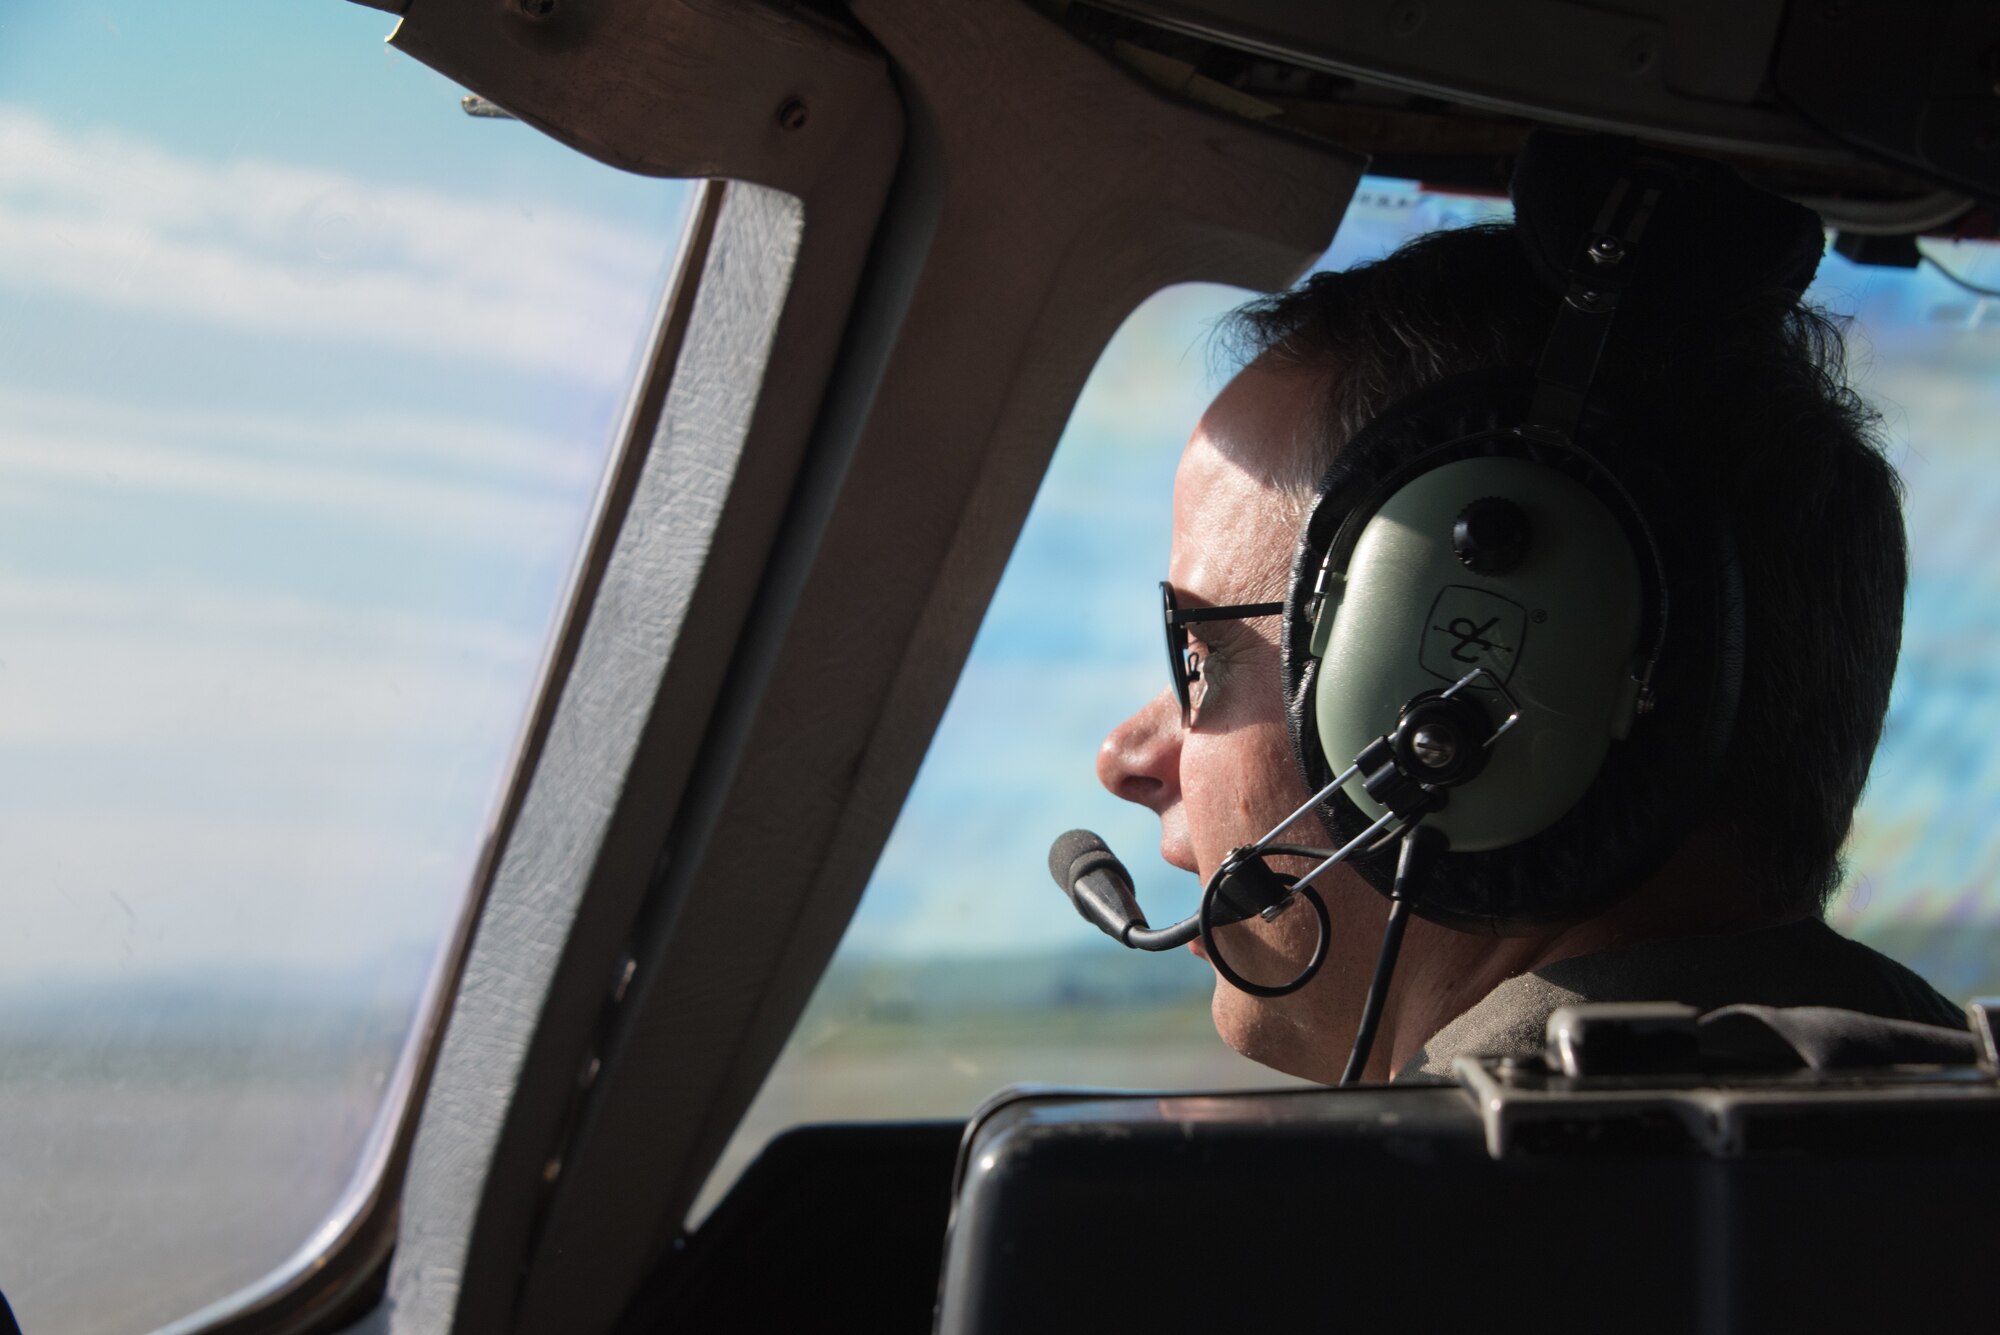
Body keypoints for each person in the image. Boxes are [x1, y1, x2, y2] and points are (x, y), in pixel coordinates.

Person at [1094, 194, 1963, 1085]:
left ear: (1464, 693)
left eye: (1199, 659)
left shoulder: (1408, 1215)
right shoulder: (1943, 1097)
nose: (1123, 757)